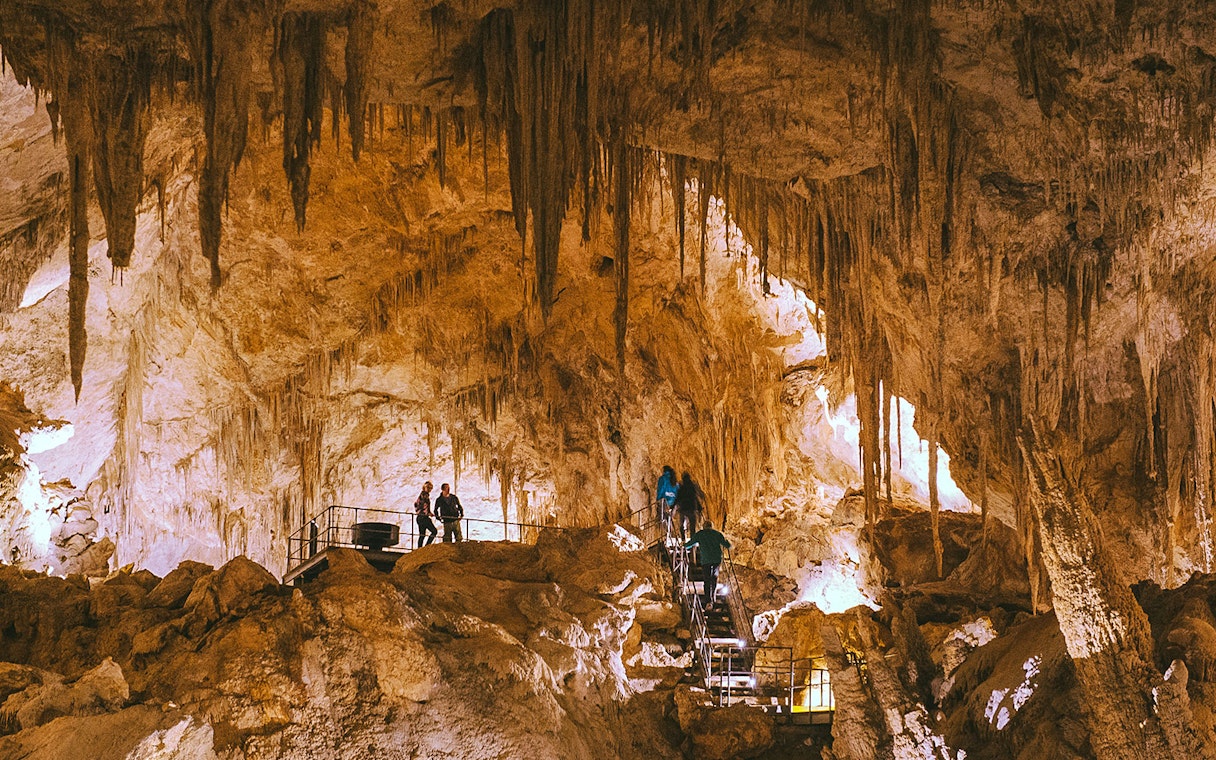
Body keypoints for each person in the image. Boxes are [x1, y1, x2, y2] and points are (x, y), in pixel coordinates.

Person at [685, 519, 731, 609]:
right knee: (714, 578)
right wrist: (729, 543)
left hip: (706, 560)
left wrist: (684, 545)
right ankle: (713, 597)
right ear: (711, 526)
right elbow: (727, 545)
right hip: (716, 559)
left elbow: (690, 543)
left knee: (707, 580)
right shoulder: (717, 534)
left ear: (704, 526)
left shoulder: (700, 534)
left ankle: (708, 601)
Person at [672, 471, 702, 541]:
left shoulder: (682, 488)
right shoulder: (692, 487)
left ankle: (683, 538)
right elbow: (695, 497)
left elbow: (678, 498)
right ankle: (693, 539)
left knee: (681, 524)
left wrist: (673, 506)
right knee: (692, 526)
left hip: (683, 508)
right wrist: (699, 507)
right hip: (691, 508)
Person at [414, 481, 437, 548]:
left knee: (422, 535)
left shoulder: (422, 495)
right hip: (423, 517)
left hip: (420, 517)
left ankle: (419, 549)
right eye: (428, 487)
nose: (429, 489)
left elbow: (417, 505)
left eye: (430, 488)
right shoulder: (424, 495)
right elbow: (425, 506)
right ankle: (426, 547)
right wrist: (428, 513)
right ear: (424, 487)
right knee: (434, 531)